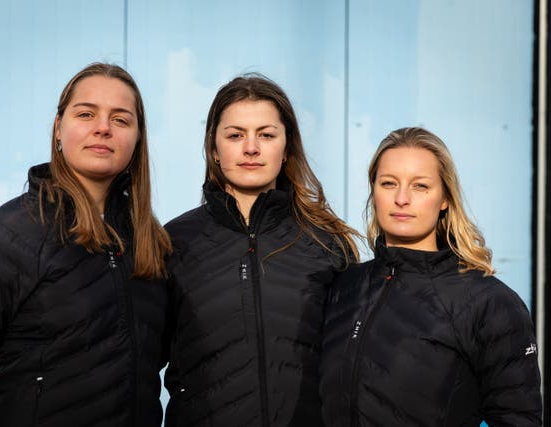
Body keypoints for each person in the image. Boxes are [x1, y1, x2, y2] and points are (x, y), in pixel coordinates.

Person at [0, 63, 171, 427]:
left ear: (137, 139)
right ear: (59, 128)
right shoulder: (3, 237)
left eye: (121, 119)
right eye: (86, 114)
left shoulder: (152, 243)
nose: (103, 127)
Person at [164, 73, 359, 426]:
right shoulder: (173, 242)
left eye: (266, 135)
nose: (250, 148)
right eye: (235, 135)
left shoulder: (326, 243)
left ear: (286, 149)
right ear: (213, 148)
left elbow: (352, 364)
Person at [319, 127, 542, 426]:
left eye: (420, 186)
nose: (401, 198)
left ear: (445, 199)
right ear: (374, 193)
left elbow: (518, 419)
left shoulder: (489, 302)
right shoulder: (344, 287)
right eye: (388, 183)